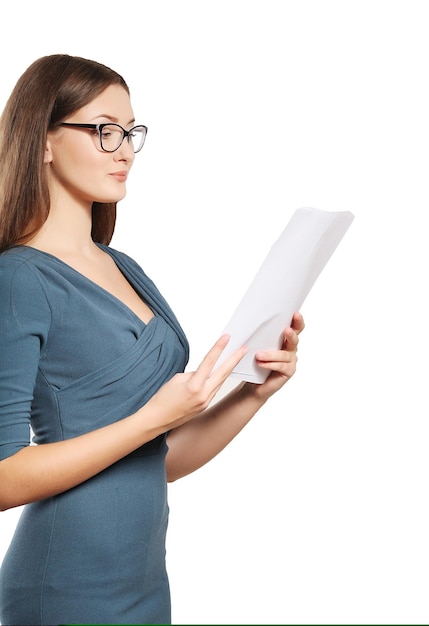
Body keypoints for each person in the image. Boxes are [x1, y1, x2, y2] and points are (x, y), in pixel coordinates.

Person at [0, 54, 304, 626]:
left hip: (143, 583)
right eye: (104, 130)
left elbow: (154, 460)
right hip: (64, 586)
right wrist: (154, 417)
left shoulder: (124, 267)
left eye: (131, 132)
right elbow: (4, 477)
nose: (125, 150)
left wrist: (254, 393)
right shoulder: (18, 278)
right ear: (42, 139)